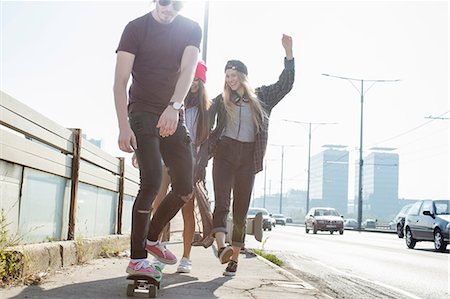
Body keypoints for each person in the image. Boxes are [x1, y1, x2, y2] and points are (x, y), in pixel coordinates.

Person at [113, 0, 201, 278]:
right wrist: (123, 126)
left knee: (186, 188)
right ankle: (137, 259)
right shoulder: (135, 28)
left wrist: (174, 107)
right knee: (150, 182)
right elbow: (120, 81)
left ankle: (152, 238)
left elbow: (188, 69)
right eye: (165, 2)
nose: (169, 9)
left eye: (177, 6)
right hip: (141, 112)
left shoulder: (191, 29)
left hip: (173, 112)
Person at [209, 34, 295, 276]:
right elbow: (204, 120)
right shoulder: (221, 100)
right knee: (222, 201)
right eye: (227, 76)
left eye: (234, 75)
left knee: (240, 209)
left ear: (243, 77)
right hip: (224, 153)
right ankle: (221, 247)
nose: (230, 80)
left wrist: (288, 53)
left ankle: (233, 259)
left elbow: (285, 84)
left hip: (248, 157)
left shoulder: (261, 97)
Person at [131, 60, 213, 274]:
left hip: (186, 158)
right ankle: (150, 250)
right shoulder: (172, 94)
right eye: (191, 79)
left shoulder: (206, 109)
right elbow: (147, 121)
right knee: (155, 198)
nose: (193, 84)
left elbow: (206, 141)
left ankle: (183, 255)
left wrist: (200, 166)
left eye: (197, 81)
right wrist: (138, 148)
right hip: (161, 152)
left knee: (185, 202)